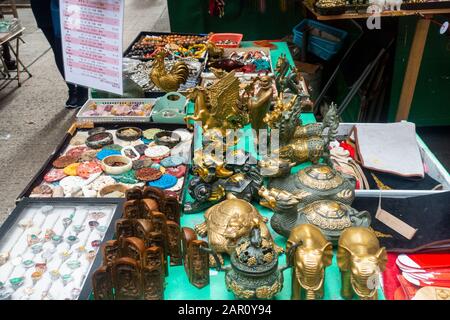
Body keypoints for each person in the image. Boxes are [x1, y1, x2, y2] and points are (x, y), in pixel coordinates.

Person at [30, 0, 88, 108]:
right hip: (42, 7)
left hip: (70, 5)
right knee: (58, 50)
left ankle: (82, 89)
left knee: (75, 48)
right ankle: (72, 89)